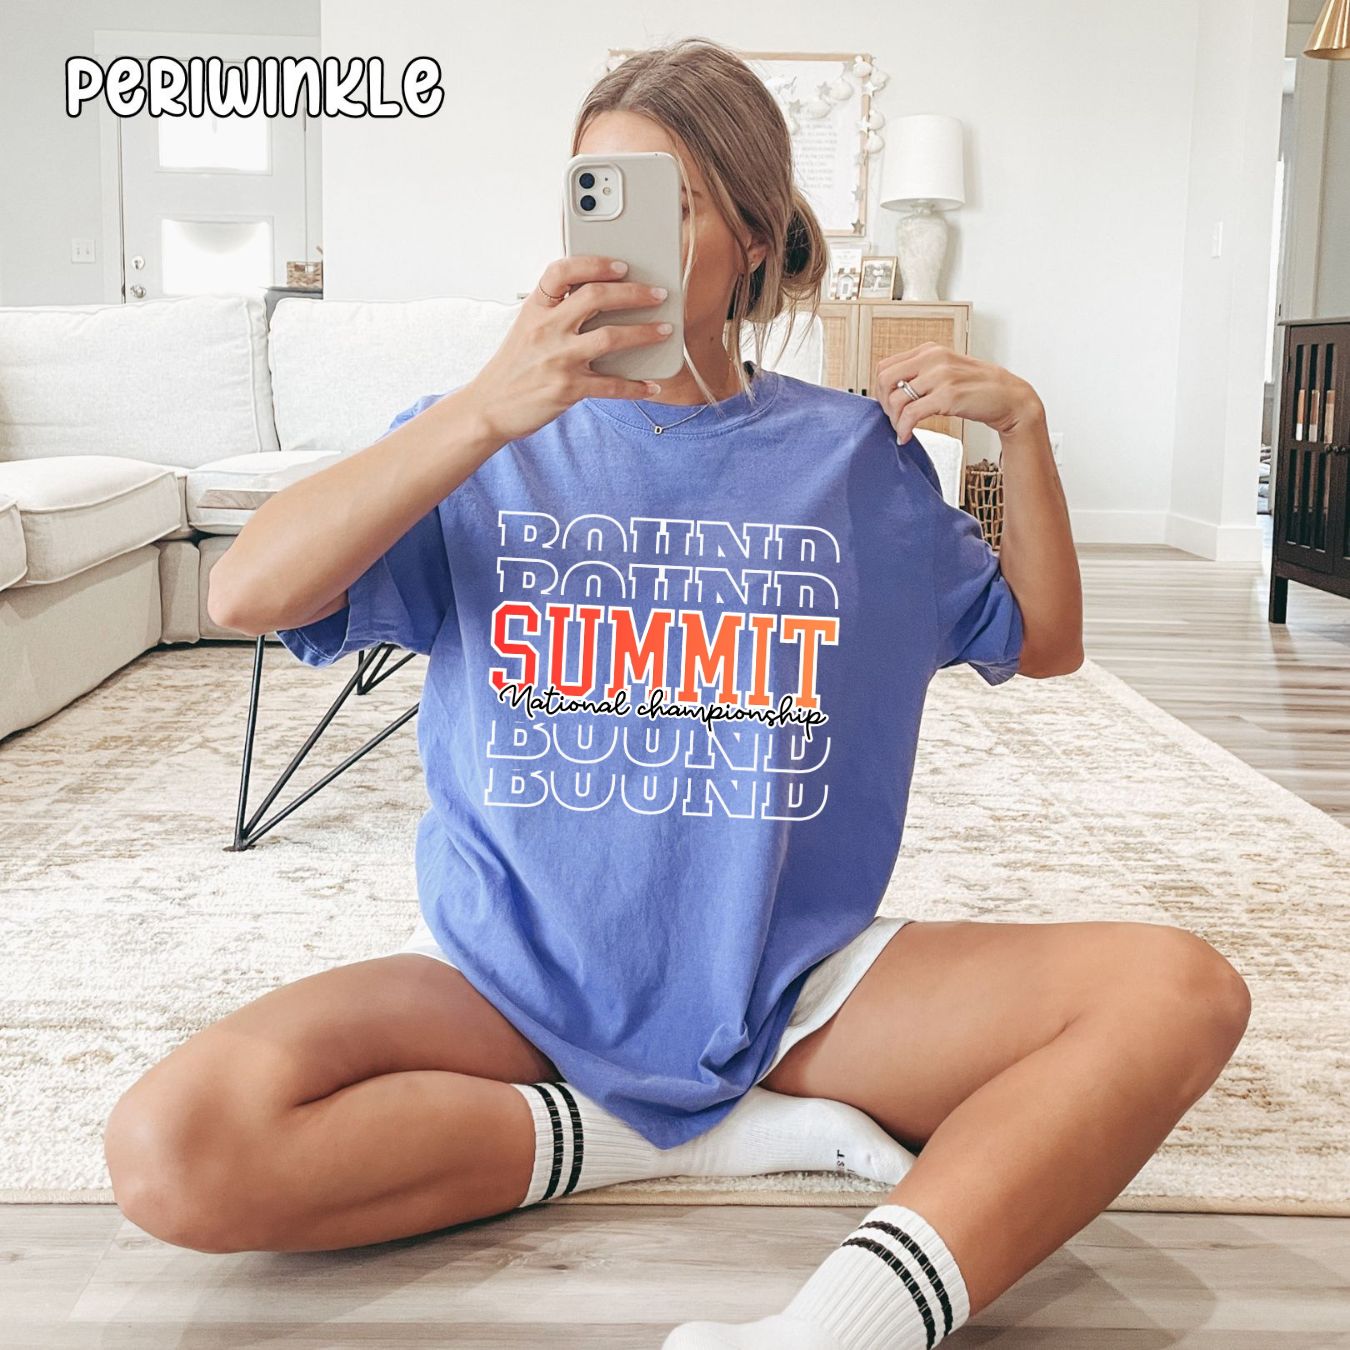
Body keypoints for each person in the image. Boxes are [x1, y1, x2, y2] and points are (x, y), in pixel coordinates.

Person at [102, 36, 1252, 1350]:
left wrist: (1024, 430)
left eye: (673, 204)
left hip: (794, 991)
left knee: (1178, 993)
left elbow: (1044, 642)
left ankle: (832, 1331)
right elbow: (244, 593)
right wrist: (484, 411)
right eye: (592, 197)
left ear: (754, 236)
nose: (619, 244)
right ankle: (657, 1136)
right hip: (510, 986)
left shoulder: (848, 459)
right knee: (173, 1149)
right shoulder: (477, 440)